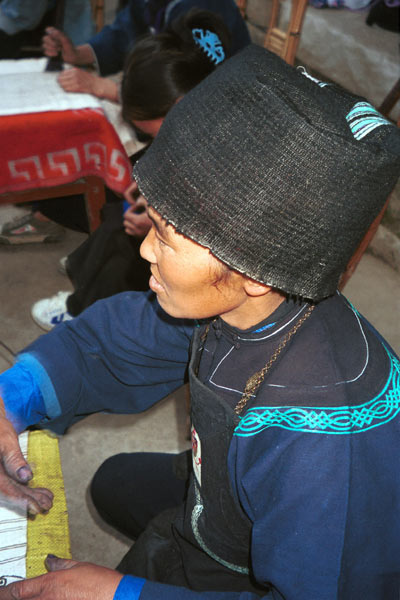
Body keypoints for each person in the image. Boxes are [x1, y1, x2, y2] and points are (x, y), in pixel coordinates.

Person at [0, 44, 400, 599]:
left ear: (256, 268)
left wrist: (123, 595)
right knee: (114, 482)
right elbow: (120, 342)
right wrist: (13, 397)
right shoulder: (244, 301)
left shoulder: (326, 449)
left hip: (247, 576)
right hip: (217, 514)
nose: (145, 253)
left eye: (166, 235)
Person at [31, 7, 246, 330]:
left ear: (177, 105)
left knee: (130, 237)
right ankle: (87, 270)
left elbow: (225, 221)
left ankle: (84, 310)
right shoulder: (203, 105)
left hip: (228, 253)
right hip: (208, 207)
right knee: (131, 190)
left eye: (151, 130)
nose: (151, 137)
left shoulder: (231, 142)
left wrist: (161, 223)